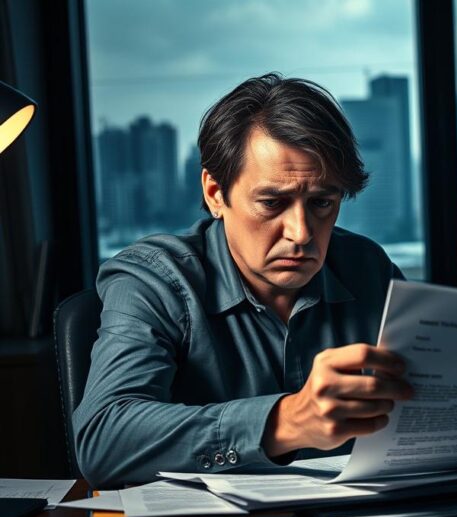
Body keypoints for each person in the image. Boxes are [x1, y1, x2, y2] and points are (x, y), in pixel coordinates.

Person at [73, 73, 413, 488]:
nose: (301, 233)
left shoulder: (369, 268)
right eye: (272, 203)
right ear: (216, 193)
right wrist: (283, 422)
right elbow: (103, 440)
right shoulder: (152, 279)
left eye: (322, 203)